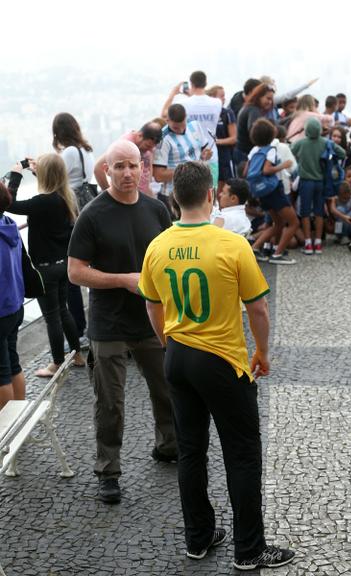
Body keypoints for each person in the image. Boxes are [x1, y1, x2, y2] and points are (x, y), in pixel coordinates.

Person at [137, 160, 295, 571]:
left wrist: (168, 343)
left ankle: (199, 537)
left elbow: (153, 306)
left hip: (178, 357)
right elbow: (257, 307)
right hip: (221, 359)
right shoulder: (231, 244)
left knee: (191, 451)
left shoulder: (158, 245)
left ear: (175, 198)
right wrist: (262, 351)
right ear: (211, 195)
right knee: (242, 453)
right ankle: (249, 549)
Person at [67, 139, 177, 504]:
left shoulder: (157, 209)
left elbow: (169, 258)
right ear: (107, 171)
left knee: (166, 388)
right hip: (108, 322)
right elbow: (75, 272)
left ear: (142, 168)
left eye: (133, 165)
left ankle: (168, 446)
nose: (128, 173)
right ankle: (108, 471)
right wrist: (122, 279)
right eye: (120, 167)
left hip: (152, 317)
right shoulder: (92, 215)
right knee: (110, 402)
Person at [7, 155, 84, 377]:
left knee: (52, 317)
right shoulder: (63, 197)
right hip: (62, 265)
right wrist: (35, 170)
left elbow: (8, 203)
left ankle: (57, 363)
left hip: (45, 270)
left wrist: (15, 175)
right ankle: (77, 354)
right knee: (63, 311)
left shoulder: (42, 202)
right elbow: (51, 180)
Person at [52, 112, 95, 349]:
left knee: (74, 273)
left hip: (73, 212)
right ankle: (89, 326)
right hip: (87, 206)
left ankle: (79, 330)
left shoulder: (68, 152)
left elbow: (58, 180)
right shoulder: (86, 149)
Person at [247, 119, 299, 264]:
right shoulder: (270, 150)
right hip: (274, 190)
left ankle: (255, 248)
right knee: (294, 222)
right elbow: (266, 169)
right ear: (271, 135)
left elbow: (247, 171)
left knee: (278, 223)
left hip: (262, 193)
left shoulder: (254, 150)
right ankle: (278, 254)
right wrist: (283, 166)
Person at [291, 118, 345, 255]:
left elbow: (292, 150)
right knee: (319, 212)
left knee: (305, 212)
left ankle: (308, 243)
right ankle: (318, 243)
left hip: (305, 182)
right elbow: (342, 153)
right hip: (321, 182)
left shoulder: (301, 143)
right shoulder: (326, 142)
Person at [162, 71, 222, 187]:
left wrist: (173, 94)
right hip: (211, 154)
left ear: (191, 84)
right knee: (210, 195)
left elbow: (164, 115)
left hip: (191, 156)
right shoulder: (217, 102)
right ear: (205, 83)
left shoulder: (183, 103)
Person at [153, 104, 211, 216]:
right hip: (173, 196)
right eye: (175, 127)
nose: (180, 130)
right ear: (167, 120)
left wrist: (207, 154)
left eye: (182, 126)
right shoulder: (163, 139)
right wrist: (188, 170)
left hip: (198, 189)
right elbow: (159, 175)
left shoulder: (194, 125)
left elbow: (204, 149)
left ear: (186, 117)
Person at [0, 182, 25, 409]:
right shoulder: (8, 224)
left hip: (1, 311)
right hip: (15, 305)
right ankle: (18, 420)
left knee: (1, 374)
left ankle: (5, 431)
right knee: (13, 363)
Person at [94, 122, 163, 196]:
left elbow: (147, 177)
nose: (149, 150)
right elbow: (98, 168)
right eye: (147, 146)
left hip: (142, 197)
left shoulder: (148, 148)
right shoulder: (124, 145)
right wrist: (109, 194)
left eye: (152, 148)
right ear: (140, 135)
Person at [206, 85, 237, 195]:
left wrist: (216, 142)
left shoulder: (227, 113)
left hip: (224, 156)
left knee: (224, 190)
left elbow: (234, 138)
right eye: (222, 96)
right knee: (210, 187)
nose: (224, 98)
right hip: (208, 156)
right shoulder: (206, 114)